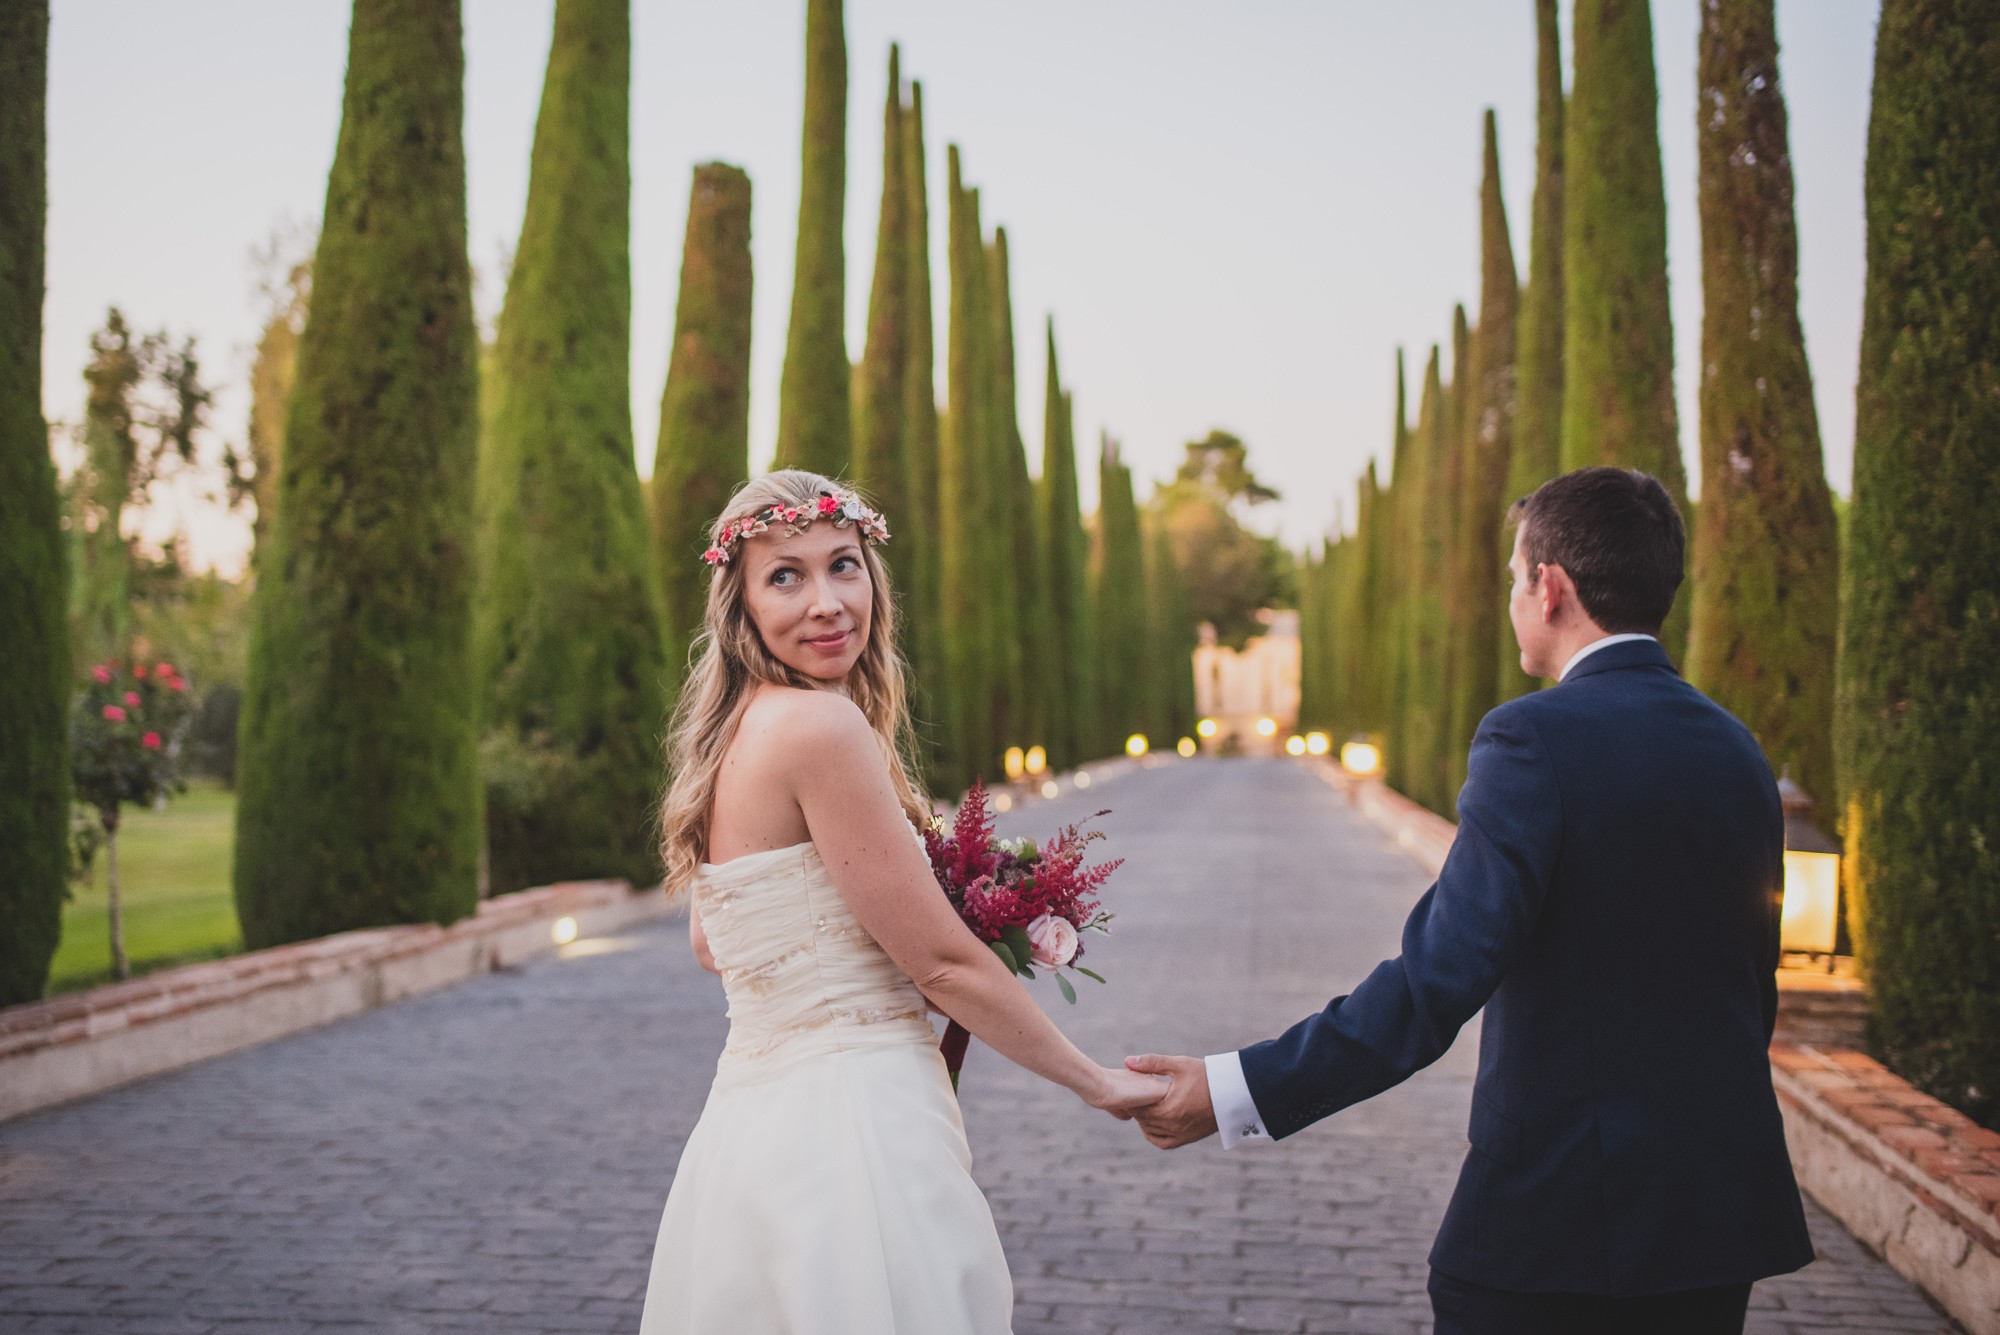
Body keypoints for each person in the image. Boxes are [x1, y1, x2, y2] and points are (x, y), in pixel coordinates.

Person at [1124, 467, 1815, 1335]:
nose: (1511, 597)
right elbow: (1752, 985)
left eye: (1514, 576)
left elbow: (1433, 982)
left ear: (1549, 587)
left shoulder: (1532, 737)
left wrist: (1236, 1089)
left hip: (1555, 1225)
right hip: (1714, 1221)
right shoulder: (1738, 748)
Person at [638, 470, 1164, 1335]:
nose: (826, 602)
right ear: (740, 605)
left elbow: (712, 939)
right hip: (852, 1129)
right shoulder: (822, 729)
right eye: (785, 576)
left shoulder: (739, 732)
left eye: (843, 565)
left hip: (749, 1132)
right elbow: (942, 963)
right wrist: (1096, 1082)